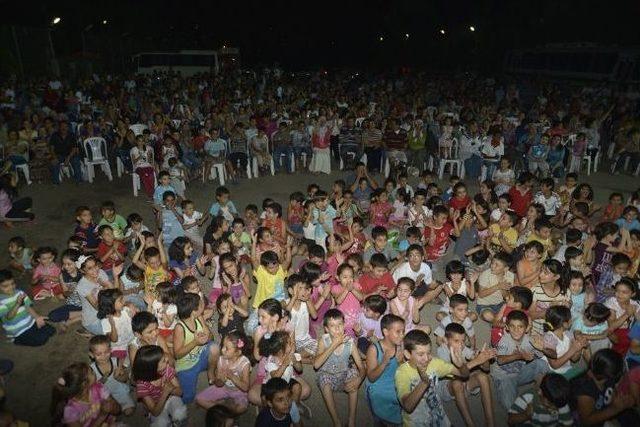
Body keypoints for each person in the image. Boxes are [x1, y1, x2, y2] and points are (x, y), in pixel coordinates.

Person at [314, 309, 365, 427]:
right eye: (332, 326)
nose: (337, 329)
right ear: (326, 329)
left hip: (343, 374)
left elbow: (362, 367)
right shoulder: (324, 340)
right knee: (323, 379)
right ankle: (336, 420)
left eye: (340, 324)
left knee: (354, 373)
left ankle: (351, 419)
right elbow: (316, 365)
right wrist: (334, 345)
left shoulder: (350, 343)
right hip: (328, 375)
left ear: (344, 325)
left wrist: (359, 379)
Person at [50, 362, 121, 426]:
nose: (94, 372)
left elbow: (118, 410)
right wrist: (103, 415)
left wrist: (113, 407)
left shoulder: (99, 388)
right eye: (92, 372)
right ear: (84, 384)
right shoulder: (69, 410)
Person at [133, 345, 188, 426]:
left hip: (171, 397)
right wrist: (165, 392)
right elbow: (155, 412)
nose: (167, 359)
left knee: (181, 414)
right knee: (161, 424)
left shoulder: (166, 370)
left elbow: (180, 392)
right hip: (156, 405)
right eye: (163, 360)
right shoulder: (142, 384)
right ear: (153, 368)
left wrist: (171, 389)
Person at [0, 269, 55, 346]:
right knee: (41, 340)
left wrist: (37, 317)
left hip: (30, 321)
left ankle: (32, 330)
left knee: (51, 331)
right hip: (18, 330)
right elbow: (9, 317)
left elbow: (28, 307)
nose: (11, 287)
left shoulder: (19, 292)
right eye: (5, 286)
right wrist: (17, 304)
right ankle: (16, 340)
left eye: (12, 283)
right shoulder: (1, 300)